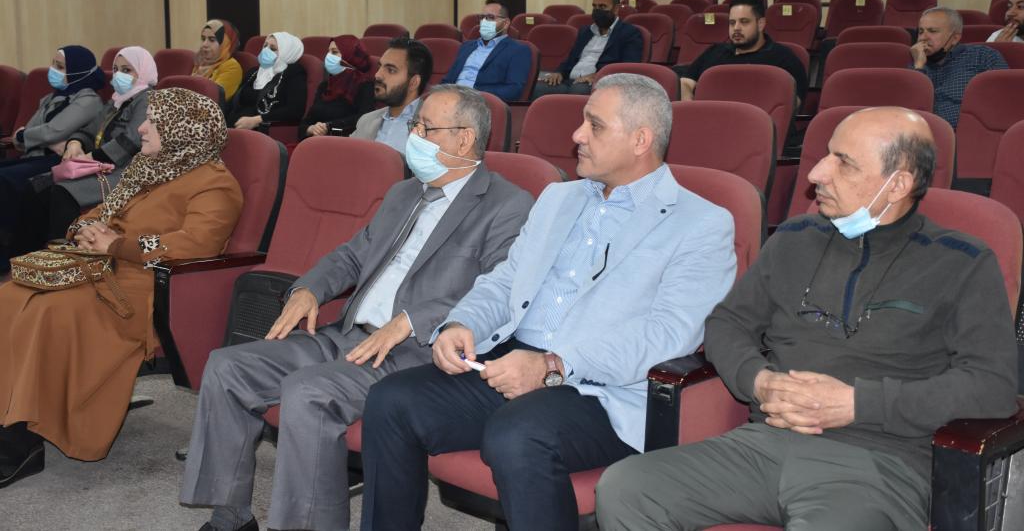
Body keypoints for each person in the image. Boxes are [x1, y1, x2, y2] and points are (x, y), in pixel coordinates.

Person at [596, 107, 1019, 531]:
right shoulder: (795, 238)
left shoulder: (962, 262)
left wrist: (858, 403)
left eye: (843, 162)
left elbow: (992, 385)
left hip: (877, 464)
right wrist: (759, 380)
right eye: (825, 155)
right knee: (626, 487)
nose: (817, 174)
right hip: (763, 443)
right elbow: (727, 324)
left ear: (897, 185)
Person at [360, 74, 737, 531]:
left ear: (641, 140)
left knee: (518, 433)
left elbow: (667, 337)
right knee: (391, 400)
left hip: (604, 391)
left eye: (595, 125)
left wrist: (554, 365)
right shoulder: (559, 197)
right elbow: (505, 281)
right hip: (513, 361)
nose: (577, 135)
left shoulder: (701, 224)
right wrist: (462, 324)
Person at [179, 85, 534, 531]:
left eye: (426, 128)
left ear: (464, 139)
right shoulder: (404, 193)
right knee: (227, 367)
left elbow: (499, 288)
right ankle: (230, 517)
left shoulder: (508, 205)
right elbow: (352, 255)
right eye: (415, 125)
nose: (414, 136)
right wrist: (310, 289)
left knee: (307, 393)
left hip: (412, 354)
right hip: (347, 335)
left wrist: (411, 320)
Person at [0, 88, 242, 489]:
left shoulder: (216, 185)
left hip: (144, 285)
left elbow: (193, 243)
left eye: (154, 122)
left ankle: (18, 443)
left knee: (47, 312)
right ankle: (7, 413)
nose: (142, 128)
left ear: (182, 131)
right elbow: (102, 211)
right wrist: (84, 228)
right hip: (97, 267)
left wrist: (120, 244)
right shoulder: (151, 167)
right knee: (10, 296)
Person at [0, 46, 105, 272]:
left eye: (60, 66)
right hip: (36, 155)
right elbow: (26, 135)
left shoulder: (89, 100)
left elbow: (52, 131)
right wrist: (39, 138)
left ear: (77, 70)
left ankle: (7, 251)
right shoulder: (50, 97)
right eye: (54, 64)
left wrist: (35, 137)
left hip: (60, 161)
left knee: (6, 180)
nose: (53, 70)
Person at [49, 46, 158, 237]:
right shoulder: (117, 99)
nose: (118, 75)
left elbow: (131, 141)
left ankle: (66, 249)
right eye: (115, 69)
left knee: (61, 193)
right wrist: (75, 143)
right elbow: (90, 129)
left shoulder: (147, 98)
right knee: (38, 187)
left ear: (143, 71)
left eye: (126, 70)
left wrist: (90, 157)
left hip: (126, 171)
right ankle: (33, 251)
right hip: (100, 166)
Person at [674, 0, 808, 102]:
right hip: (710, 120)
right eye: (732, 23)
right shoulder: (715, 51)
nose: (736, 28)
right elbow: (686, 82)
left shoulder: (783, 58)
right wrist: (688, 100)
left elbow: (793, 104)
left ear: (761, 24)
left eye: (744, 22)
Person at [532, 0, 644, 98]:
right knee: (537, 86)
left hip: (598, 83)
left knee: (578, 90)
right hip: (569, 80)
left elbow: (627, 69)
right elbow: (570, 60)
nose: (597, 10)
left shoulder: (629, 33)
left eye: (602, 6)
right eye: (594, 6)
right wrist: (559, 72)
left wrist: (597, 76)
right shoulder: (585, 31)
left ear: (616, 9)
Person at [911, 7, 1008, 128]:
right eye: (920, 32)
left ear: (954, 38)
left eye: (932, 31)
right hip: (923, 131)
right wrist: (919, 66)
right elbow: (910, 108)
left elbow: (1005, 99)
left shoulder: (983, 56)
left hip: (971, 131)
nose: (923, 38)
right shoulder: (916, 64)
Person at [351, 36, 431, 155]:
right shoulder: (367, 120)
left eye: (391, 70)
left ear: (413, 82)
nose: (377, 75)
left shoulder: (434, 125)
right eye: (379, 67)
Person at [441, 0, 531, 102]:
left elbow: (513, 90)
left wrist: (471, 92)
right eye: (482, 18)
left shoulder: (518, 50)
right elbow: (447, 80)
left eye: (490, 18)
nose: (484, 22)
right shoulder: (466, 46)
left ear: (506, 23)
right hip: (450, 99)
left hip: (480, 103)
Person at [299, 34, 376, 139]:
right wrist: (310, 129)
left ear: (350, 56)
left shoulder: (365, 85)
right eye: (328, 52)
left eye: (334, 52)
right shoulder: (325, 85)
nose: (328, 56)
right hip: (315, 140)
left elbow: (363, 119)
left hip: (345, 141)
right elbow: (306, 122)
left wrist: (328, 126)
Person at [226, 31, 306, 131]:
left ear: (286, 53)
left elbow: (294, 110)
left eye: (273, 49)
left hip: (262, 130)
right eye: (265, 46)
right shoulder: (254, 72)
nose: (266, 50)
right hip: (233, 126)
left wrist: (257, 120)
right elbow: (234, 101)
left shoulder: (293, 73)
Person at [192, 19, 244, 99]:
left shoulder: (231, 66)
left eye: (212, 40)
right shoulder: (201, 62)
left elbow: (214, 97)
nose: (204, 44)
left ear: (226, 43)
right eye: (203, 39)